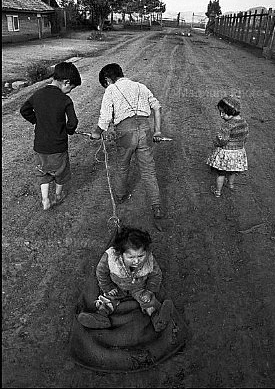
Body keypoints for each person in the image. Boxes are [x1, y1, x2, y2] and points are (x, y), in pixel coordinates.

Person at [90, 63, 163, 219]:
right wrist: (157, 131)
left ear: (107, 80)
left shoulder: (111, 89)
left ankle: (121, 196)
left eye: (105, 84)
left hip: (125, 133)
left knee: (123, 166)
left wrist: (97, 133)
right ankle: (156, 206)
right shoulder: (141, 86)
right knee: (149, 171)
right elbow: (157, 107)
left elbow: (105, 117)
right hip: (145, 130)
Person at [78, 226, 173, 331]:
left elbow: (156, 275)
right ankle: (101, 317)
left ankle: (158, 319)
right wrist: (108, 287)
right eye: (131, 257)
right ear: (120, 254)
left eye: (140, 256)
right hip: (117, 286)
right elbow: (101, 272)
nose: (136, 261)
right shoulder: (110, 258)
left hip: (139, 287)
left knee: (148, 301)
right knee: (107, 299)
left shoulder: (149, 260)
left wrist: (150, 290)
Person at [20, 62, 81, 210]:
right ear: (66, 82)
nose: (70, 91)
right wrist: (69, 130)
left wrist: (36, 121)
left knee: (43, 172)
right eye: (71, 88)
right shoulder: (65, 100)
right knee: (61, 172)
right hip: (58, 146)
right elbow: (73, 122)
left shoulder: (38, 94)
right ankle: (58, 196)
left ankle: (45, 199)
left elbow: (24, 110)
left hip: (40, 146)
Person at [206, 95, 249, 197]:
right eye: (220, 112)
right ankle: (230, 185)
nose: (221, 115)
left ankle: (218, 191)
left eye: (223, 113)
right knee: (232, 171)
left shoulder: (227, 125)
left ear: (232, 111)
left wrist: (216, 143)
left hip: (226, 153)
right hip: (238, 152)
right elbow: (246, 136)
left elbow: (222, 140)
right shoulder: (244, 122)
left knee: (221, 173)